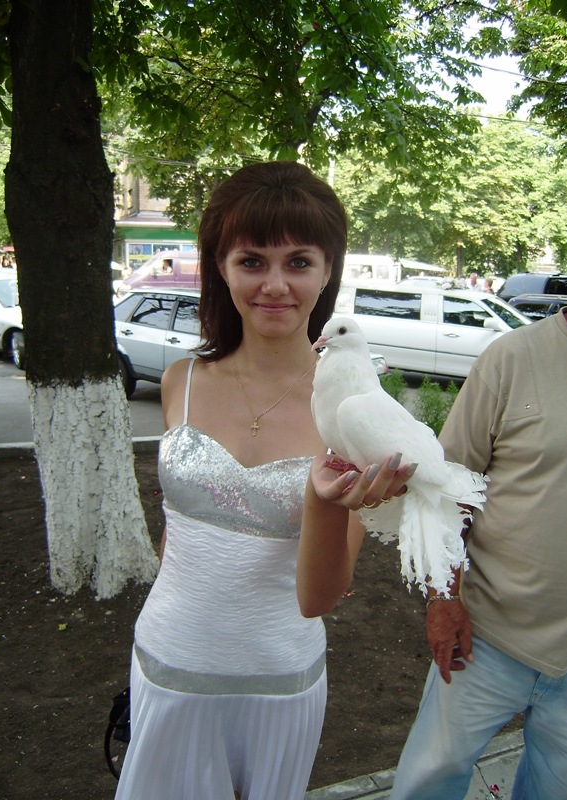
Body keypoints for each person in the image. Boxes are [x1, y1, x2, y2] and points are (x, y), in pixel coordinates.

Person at [114, 161, 411, 800]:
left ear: (327, 272)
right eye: (252, 261)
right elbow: (179, 537)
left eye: (298, 262)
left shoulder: (354, 415)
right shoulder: (182, 381)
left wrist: (325, 504)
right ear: (221, 268)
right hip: (167, 667)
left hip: (279, 682)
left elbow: (320, 598)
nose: (275, 285)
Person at [390, 224, 567, 800]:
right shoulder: (512, 360)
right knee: (430, 779)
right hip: (485, 636)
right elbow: (445, 490)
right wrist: (443, 599)